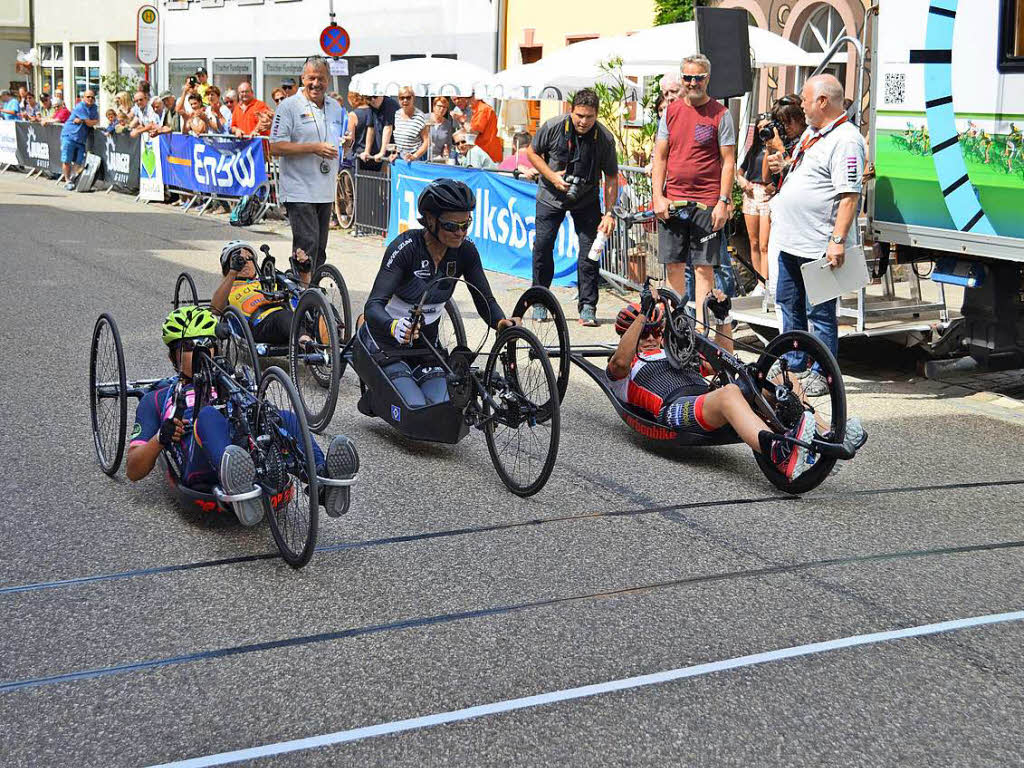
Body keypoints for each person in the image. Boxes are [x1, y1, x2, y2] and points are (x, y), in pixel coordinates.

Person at [126, 306, 358, 522]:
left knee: (283, 416)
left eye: (207, 342)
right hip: (198, 464)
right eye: (189, 346)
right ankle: (238, 484)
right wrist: (160, 438)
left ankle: (322, 481)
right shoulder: (155, 399)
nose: (202, 351)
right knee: (207, 417)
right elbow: (134, 470)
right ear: (172, 357)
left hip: (246, 446)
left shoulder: (232, 381)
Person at [605, 285, 841, 483]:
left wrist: (723, 317)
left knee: (779, 378)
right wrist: (644, 315)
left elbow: (722, 360)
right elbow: (619, 362)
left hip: (711, 401)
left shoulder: (674, 352)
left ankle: (828, 433)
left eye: (655, 332)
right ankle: (777, 451)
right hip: (674, 409)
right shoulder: (626, 367)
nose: (650, 338)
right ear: (627, 334)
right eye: (642, 334)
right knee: (728, 393)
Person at [361, 179, 518, 409]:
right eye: (452, 226)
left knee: (444, 406)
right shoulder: (405, 248)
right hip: (387, 340)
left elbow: (486, 299)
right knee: (413, 405)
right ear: (431, 221)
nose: (461, 233)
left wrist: (501, 322)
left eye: (466, 225)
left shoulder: (466, 252)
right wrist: (393, 326)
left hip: (426, 345)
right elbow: (373, 305)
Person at [766, 74, 866, 396]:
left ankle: (822, 374)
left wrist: (837, 241)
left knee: (819, 312)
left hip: (818, 244)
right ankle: (795, 366)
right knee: (789, 303)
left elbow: (849, 195)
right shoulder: (814, 133)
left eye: (806, 100)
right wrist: (784, 166)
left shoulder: (846, 139)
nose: (802, 106)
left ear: (823, 101)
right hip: (792, 240)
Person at [651, 54, 736, 344]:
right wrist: (657, 196)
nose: (692, 83)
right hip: (673, 203)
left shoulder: (721, 114)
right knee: (673, 266)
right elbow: (660, 156)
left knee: (703, 268)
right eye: (687, 77)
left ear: (707, 79)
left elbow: (728, 161)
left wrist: (723, 201)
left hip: (706, 204)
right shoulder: (671, 111)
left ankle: (702, 330)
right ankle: (674, 327)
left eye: (698, 77)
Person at [527, 88, 618, 326]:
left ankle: (588, 306)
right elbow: (532, 153)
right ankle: (539, 300)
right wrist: (552, 177)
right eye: (579, 115)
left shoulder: (605, 138)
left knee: (590, 253)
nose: (583, 121)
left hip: (586, 199)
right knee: (543, 247)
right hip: (550, 195)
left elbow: (611, 177)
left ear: (596, 114)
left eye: (589, 116)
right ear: (571, 111)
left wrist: (609, 213)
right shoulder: (554, 126)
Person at [268, 56, 346, 272]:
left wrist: (345, 144)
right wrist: (313, 148)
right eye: (311, 78)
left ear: (328, 80)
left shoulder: (335, 107)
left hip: (325, 190)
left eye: (321, 78)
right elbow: (275, 147)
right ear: (303, 78)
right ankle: (302, 298)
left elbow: (337, 141)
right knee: (307, 246)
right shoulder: (288, 106)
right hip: (299, 189)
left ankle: (311, 294)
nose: (316, 83)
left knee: (319, 251)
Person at [211, 241, 315, 344]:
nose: (245, 262)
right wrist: (233, 272)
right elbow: (216, 309)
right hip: (261, 325)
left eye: (249, 258)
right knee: (283, 316)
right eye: (239, 260)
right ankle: (306, 343)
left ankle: (327, 346)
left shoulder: (267, 280)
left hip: (291, 317)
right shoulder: (228, 288)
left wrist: (304, 272)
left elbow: (301, 291)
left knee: (316, 307)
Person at [736, 113, 775, 296]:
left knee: (765, 243)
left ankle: (766, 281)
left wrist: (773, 185)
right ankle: (759, 282)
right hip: (751, 192)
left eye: (766, 126)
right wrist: (742, 182)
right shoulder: (753, 149)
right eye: (760, 127)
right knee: (753, 241)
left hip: (767, 193)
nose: (763, 130)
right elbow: (740, 170)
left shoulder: (775, 147)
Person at [60, 90, 99, 189]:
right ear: (83, 98)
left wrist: (84, 121)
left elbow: (96, 121)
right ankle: (67, 181)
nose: (90, 99)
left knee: (79, 161)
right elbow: (90, 123)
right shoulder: (80, 107)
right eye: (88, 97)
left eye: (92, 97)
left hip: (81, 139)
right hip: (69, 136)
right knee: (67, 160)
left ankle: (73, 179)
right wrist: (87, 121)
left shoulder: (94, 108)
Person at [451, 90, 501, 162]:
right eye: (454, 100)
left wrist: (461, 119)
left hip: (487, 153)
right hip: (482, 152)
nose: (466, 101)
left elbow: (473, 133)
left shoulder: (482, 109)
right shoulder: (477, 109)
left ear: (475, 97)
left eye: (467, 98)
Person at [391, 86, 429, 161]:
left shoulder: (420, 116)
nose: (405, 100)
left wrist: (415, 156)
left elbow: (427, 141)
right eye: (402, 98)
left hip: (415, 159)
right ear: (398, 99)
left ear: (413, 98)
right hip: (400, 158)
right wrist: (395, 153)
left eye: (408, 97)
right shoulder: (397, 114)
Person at [365, 93, 400, 165]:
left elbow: (388, 128)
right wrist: (367, 151)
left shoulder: (389, 103)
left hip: (395, 151)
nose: (372, 100)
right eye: (368, 98)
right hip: (385, 151)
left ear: (381, 95)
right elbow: (370, 128)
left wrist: (382, 152)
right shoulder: (371, 107)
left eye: (375, 96)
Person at [427, 95, 455, 160]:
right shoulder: (424, 118)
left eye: (444, 107)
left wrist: (447, 151)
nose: (442, 109)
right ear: (433, 106)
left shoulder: (447, 124)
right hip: (423, 156)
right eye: (439, 106)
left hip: (438, 158)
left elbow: (449, 143)